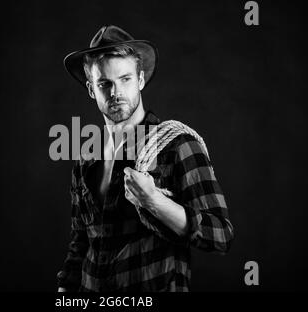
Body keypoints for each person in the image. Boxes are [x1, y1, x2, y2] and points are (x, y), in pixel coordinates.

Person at [57, 25, 234, 292]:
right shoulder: (86, 158)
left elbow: (221, 235)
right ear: (91, 89)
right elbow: (81, 243)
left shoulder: (176, 146)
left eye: (125, 79)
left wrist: (154, 202)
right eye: (104, 83)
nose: (115, 92)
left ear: (140, 80)